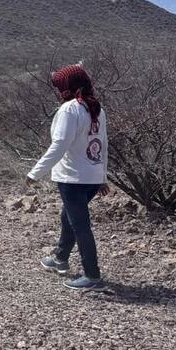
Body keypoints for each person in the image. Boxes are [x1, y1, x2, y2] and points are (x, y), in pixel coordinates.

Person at [27, 63, 108, 291]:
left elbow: (59, 145)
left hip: (72, 178)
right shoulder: (97, 109)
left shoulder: (69, 109)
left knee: (80, 224)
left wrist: (35, 173)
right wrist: (102, 176)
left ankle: (92, 276)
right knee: (68, 218)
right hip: (91, 176)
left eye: (59, 85)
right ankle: (60, 259)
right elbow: (103, 145)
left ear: (68, 87)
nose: (57, 89)